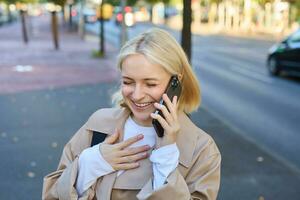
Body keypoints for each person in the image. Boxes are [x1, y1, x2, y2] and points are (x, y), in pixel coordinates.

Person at [42, 28, 221, 200]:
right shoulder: (97, 125)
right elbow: (53, 195)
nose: (136, 95)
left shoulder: (202, 149)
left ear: (176, 82)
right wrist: (91, 162)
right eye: (128, 82)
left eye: (150, 84)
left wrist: (166, 156)